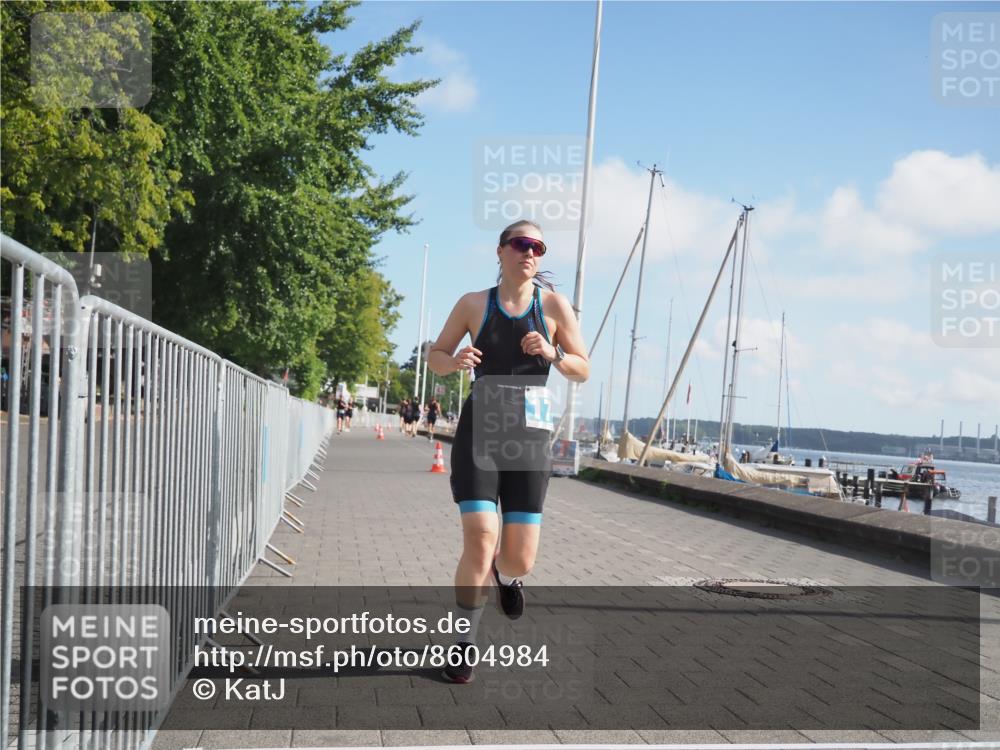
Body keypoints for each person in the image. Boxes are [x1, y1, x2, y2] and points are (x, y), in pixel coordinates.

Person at [427, 219, 589, 683]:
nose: (530, 252)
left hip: (530, 436)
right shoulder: (474, 304)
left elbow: (582, 368)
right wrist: (454, 361)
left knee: (519, 557)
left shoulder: (554, 307)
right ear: (501, 251)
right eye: (521, 243)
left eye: (538, 246)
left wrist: (555, 355)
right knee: (480, 537)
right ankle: (463, 644)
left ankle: (509, 577)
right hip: (481, 430)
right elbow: (436, 355)